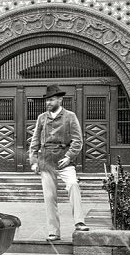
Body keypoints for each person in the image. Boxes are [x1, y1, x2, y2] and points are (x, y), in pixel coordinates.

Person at [28, 85, 87, 242]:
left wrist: (69, 157)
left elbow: (78, 140)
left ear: (60, 100)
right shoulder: (42, 118)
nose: (48, 103)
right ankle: (53, 232)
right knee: (49, 197)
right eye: (47, 100)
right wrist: (34, 161)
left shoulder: (70, 116)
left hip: (64, 161)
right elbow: (34, 141)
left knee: (73, 185)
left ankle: (79, 222)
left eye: (52, 99)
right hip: (46, 161)